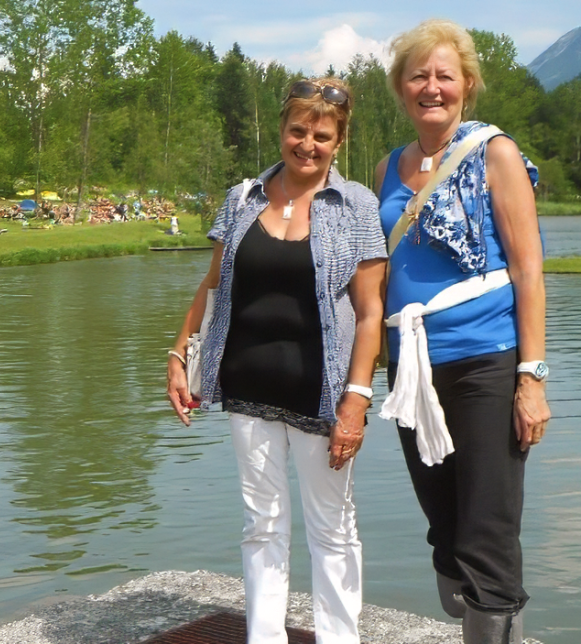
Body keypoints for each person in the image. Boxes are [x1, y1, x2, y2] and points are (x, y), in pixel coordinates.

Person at [166, 77, 387, 644]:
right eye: (298, 131)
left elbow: (370, 313)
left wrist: (357, 400)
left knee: (332, 528)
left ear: (339, 141)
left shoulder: (357, 206)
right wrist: (178, 353)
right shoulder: (242, 199)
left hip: (322, 392)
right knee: (261, 524)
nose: (307, 144)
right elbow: (213, 285)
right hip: (247, 385)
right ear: (281, 130)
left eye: (322, 135)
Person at [374, 20, 550, 644]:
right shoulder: (387, 166)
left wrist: (532, 378)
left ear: (467, 85)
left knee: (486, 531)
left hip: (486, 361)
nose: (432, 87)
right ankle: (478, 600)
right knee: (444, 527)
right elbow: (376, 274)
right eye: (418, 76)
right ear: (401, 88)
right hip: (411, 370)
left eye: (445, 76)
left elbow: (528, 271)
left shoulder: (494, 153)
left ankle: (493, 616)